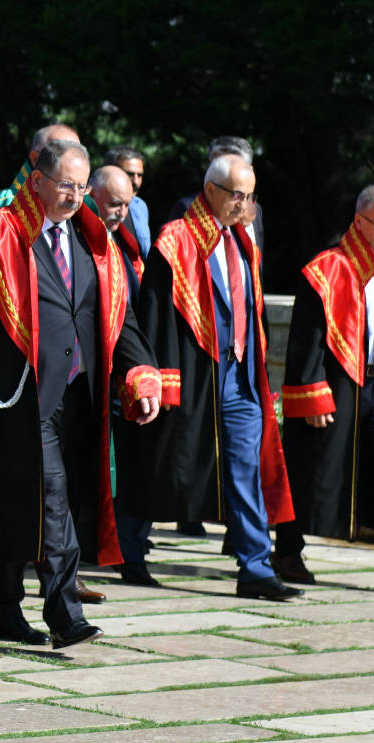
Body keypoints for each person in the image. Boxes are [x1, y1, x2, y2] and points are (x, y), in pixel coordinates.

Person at [0, 139, 161, 649]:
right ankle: (65, 615)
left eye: (82, 188)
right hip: (17, 396)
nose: (76, 197)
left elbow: (114, 317)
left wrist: (140, 373)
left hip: (80, 396)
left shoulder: (94, 239)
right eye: (66, 185)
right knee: (50, 502)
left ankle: (0, 610)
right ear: (36, 180)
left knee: (25, 504)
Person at [127, 154, 300, 600]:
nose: (244, 205)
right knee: (167, 457)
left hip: (239, 375)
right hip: (192, 370)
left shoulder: (244, 241)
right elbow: (156, 317)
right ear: (211, 191)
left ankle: (256, 567)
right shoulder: (175, 240)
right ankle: (128, 548)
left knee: (246, 467)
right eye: (237, 195)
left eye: (249, 196)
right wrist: (158, 379)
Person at [276, 185, 374, 594]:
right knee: (315, 469)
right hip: (340, 387)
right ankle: (288, 552)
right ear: (359, 221)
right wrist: (312, 391)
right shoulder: (327, 268)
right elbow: (305, 340)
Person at [85, 166, 157, 585]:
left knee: (128, 471)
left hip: (119, 375)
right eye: (114, 203)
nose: (122, 213)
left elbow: (125, 314)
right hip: (81, 376)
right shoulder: (78, 241)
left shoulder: (120, 244)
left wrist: (142, 371)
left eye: (128, 205)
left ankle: (127, 555)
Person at [167, 136, 265, 252]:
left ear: (249, 170)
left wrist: (245, 227)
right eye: (216, 165)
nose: (217, 171)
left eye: (230, 165)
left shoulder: (255, 212)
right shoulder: (189, 209)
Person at [0, 123, 79, 212]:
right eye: (60, 155)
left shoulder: (81, 206)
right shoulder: (4, 205)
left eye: (79, 156)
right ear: (35, 158)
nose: (73, 164)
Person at [104, 146, 151, 259]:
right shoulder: (93, 205)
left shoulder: (141, 207)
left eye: (139, 175)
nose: (135, 181)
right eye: (130, 174)